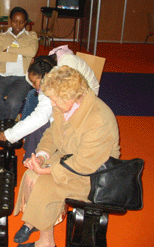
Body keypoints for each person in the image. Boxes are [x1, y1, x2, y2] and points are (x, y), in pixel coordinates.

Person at [12, 66, 120, 247]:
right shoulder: (66, 105)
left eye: (55, 100)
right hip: (72, 158)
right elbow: (51, 135)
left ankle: (44, 242)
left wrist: (47, 171)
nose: (52, 104)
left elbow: (85, 164)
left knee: (41, 183)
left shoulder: (98, 119)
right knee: (31, 176)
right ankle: (38, 226)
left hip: (95, 173)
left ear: (74, 96)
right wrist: (41, 157)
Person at [0, 45, 100, 158]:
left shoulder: (63, 71)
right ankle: (26, 135)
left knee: (41, 122)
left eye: (35, 83)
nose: (33, 86)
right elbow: (32, 76)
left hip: (85, 98)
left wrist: (10, 134)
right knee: (33, 95)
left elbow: (41, 116)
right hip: (72, 91)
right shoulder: (47, 66)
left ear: (45, 76)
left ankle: (31, 151)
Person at [0, 7, 38, 123]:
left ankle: (6, 124)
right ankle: (4, 121)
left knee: (13, 102)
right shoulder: (1, 36)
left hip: (22, 77)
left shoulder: (31, 36)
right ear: (10, 21)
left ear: (25, 22)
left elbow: (32, 52)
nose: (18, 25)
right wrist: (22, 54)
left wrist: (8, 49)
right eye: (15, 21)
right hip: (3, 76)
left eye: (21, 22)